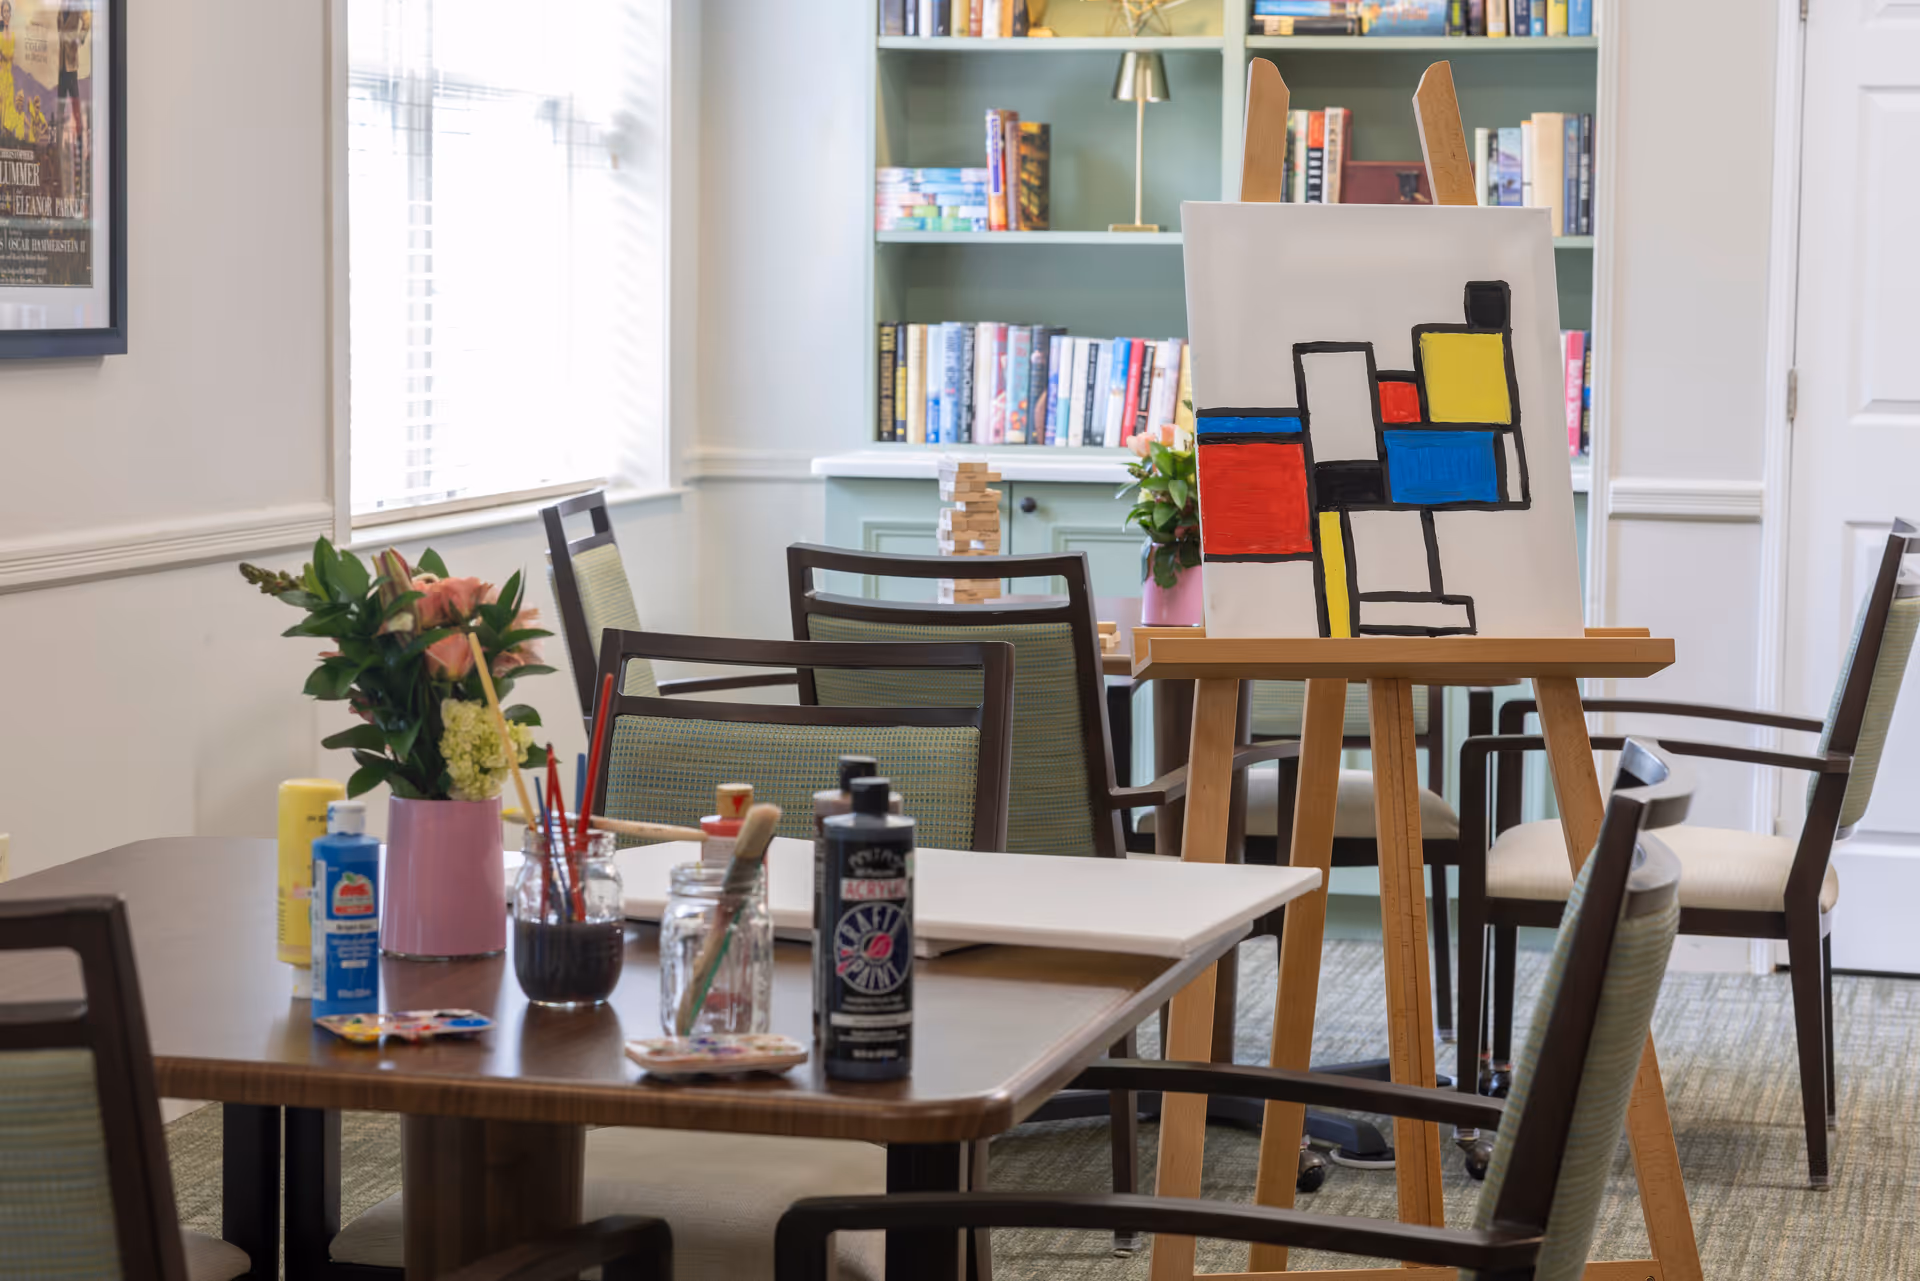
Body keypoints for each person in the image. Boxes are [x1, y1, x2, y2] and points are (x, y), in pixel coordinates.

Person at [56, 0, 89, 211]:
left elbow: (88, 19)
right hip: (62, 64)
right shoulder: (61, 5)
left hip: (71, 63)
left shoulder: (79, 5)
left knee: (75, 110)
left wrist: (80, 38)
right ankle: (61, 150)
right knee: (60, 111)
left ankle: (80, 146)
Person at [0, 2, 27, 144]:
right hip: (1, 74)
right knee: (2, 106)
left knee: (9, 106)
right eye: (3, 11)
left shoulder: (14, 35)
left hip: (9, 76)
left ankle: (8, 136)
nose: (6, 14)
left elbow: (15, 57)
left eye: (7, 11)